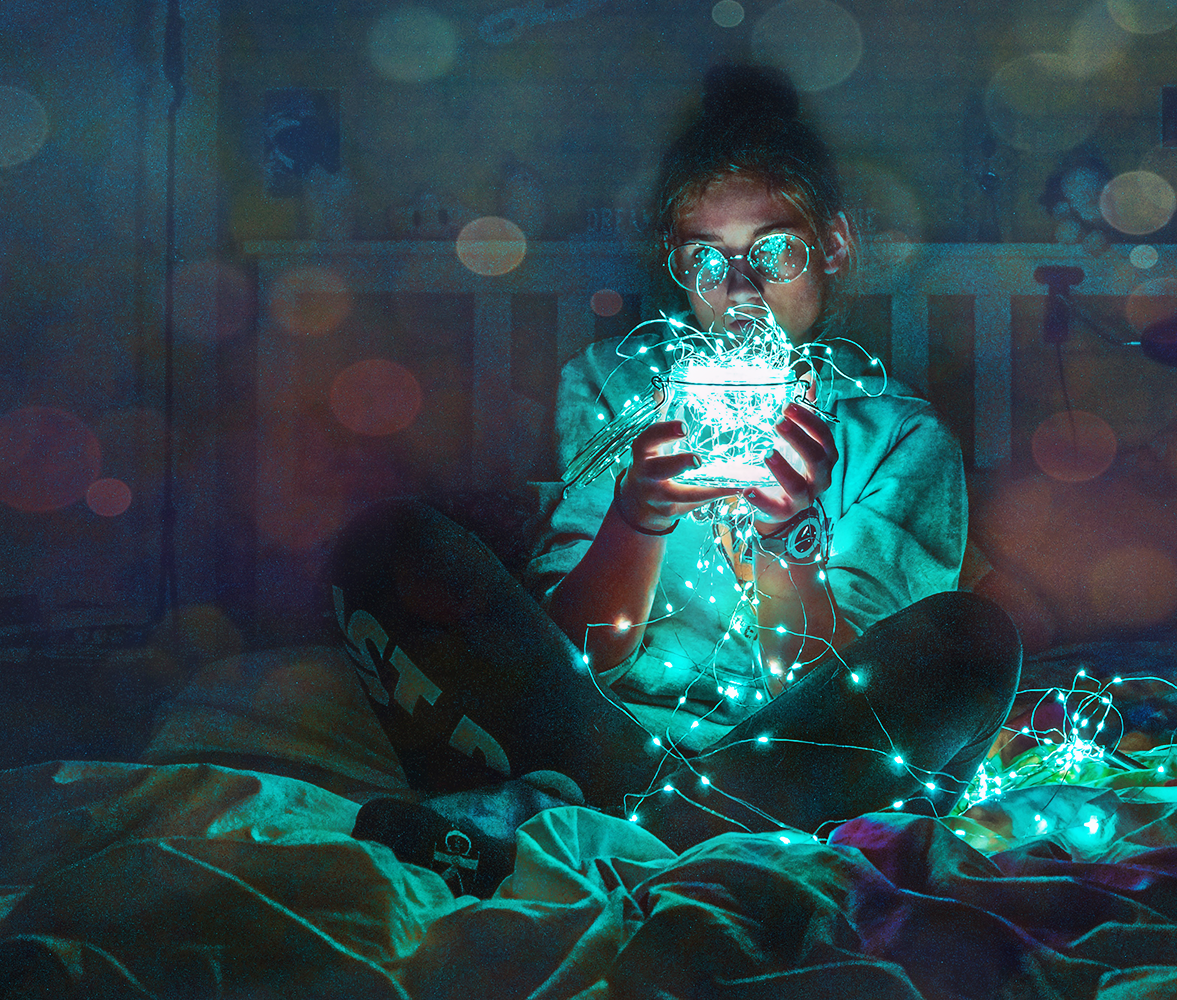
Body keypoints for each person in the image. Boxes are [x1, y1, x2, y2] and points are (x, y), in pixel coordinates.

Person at [329, 65, 1020, 875]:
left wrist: (788, 541)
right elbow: (581, 653)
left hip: (784, 758)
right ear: (675, 263)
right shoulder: (611, 389)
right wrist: (637, 518)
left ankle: (584, 817)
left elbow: (833, 690)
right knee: (388, 543)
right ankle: (666, 821)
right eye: (707, 260)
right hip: (598, 730)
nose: (742, 290)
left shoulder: (897, 435)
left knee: (974, 641)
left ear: (833, 247)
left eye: (777, 252)